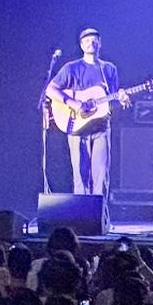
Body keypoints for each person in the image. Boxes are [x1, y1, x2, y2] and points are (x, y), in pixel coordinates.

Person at [45, 28, 128, 195]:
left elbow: (110, 100)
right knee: (80, 176)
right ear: (82, 45)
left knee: (101, 176)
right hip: (77, 127)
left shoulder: (109, 69)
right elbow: (50, 90)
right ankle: (81, 219)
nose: (91, 43)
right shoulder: (71, 68)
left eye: (95, 40)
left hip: (101, 127)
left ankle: (100, 219)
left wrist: (122, 99)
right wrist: (73, 102)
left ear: (100, 43)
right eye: (87, 40)